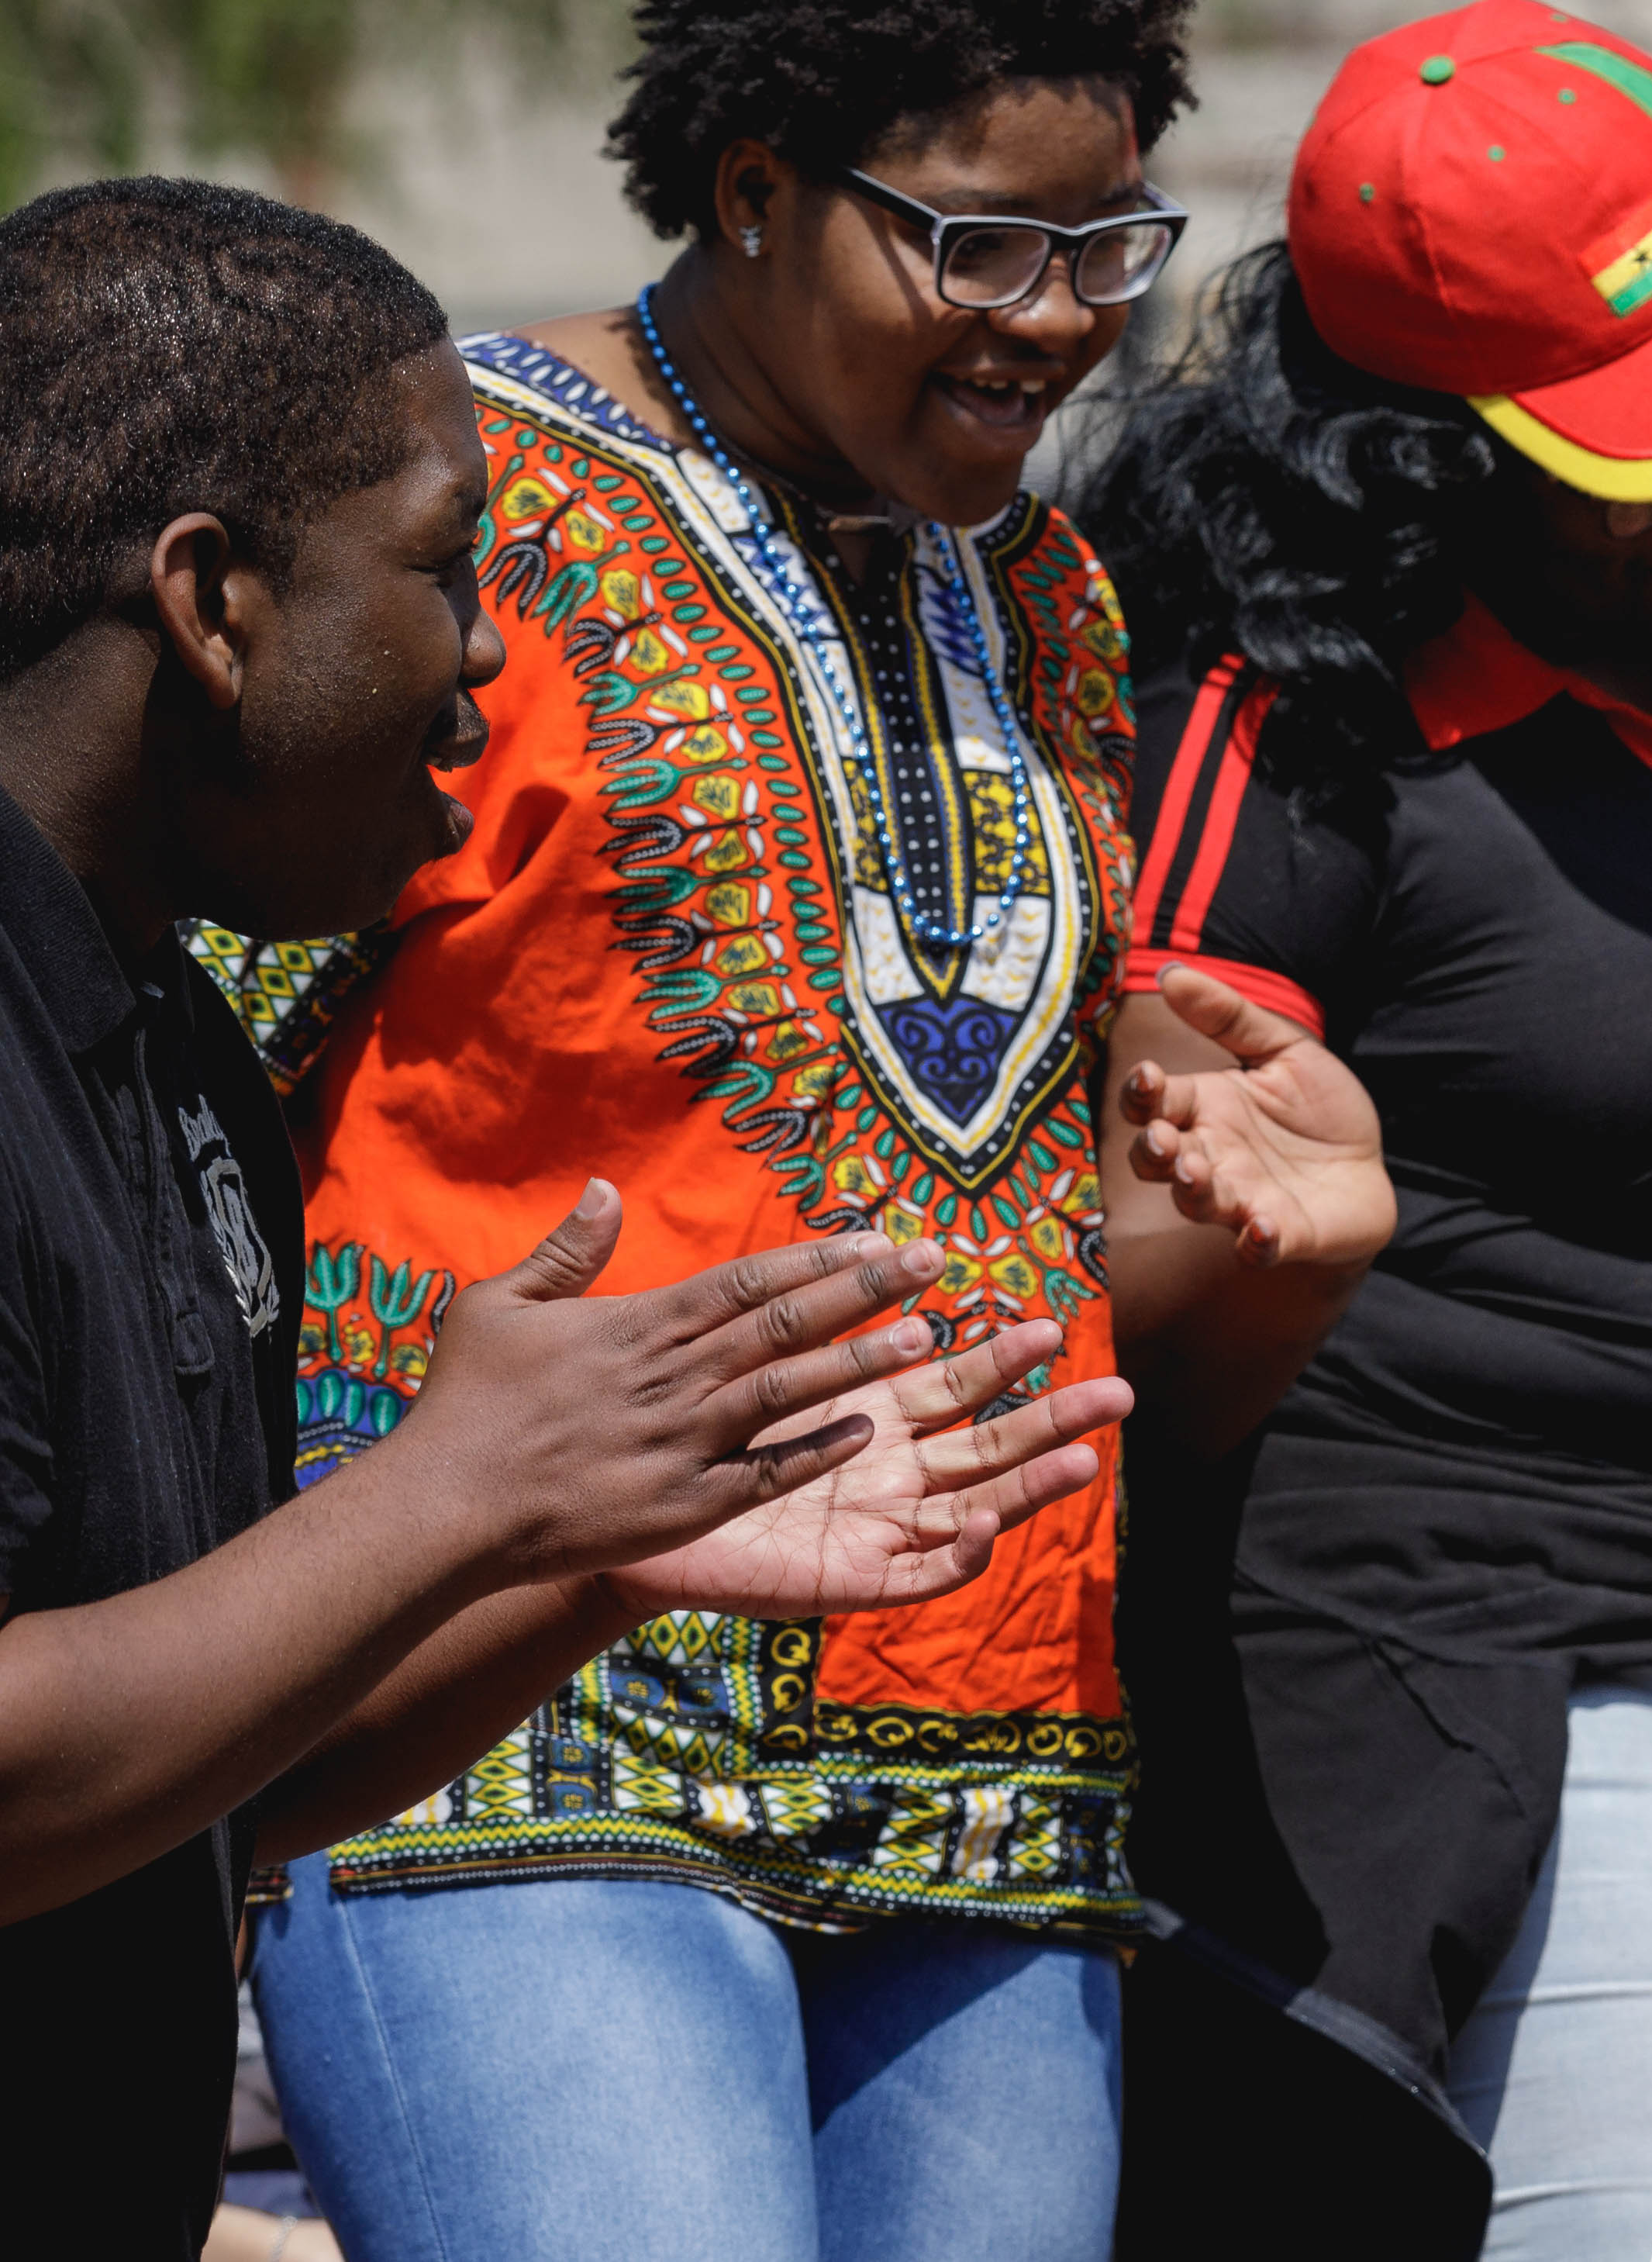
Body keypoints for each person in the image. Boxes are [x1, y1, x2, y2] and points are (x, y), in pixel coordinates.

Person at [216, 7, 1325, 2258]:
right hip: (504, 1714)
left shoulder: (1048, 595)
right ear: (749, 189)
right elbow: (186, 1090)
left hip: (999, 1757)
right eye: (979, 247)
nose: (1062, 321)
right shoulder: (450, 516)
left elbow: (999, 1210)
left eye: (1107, 242)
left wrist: (1273, 1229)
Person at [0, 175, 1123, 2260]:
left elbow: (210, 1767)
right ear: (211, 600)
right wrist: (450, 1492)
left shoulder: (173, 1074)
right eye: (445, 567)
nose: (495, 650)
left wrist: (590, 1547)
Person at [1072, 8, 1652, 2254]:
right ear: (1418, 457)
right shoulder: (1291, 742)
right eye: (1640, 452)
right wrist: (1276, 1220)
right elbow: (1153, 1263)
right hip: (1488, 1669)